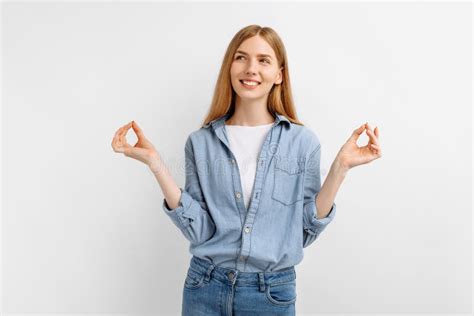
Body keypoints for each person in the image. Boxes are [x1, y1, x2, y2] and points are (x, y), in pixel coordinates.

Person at [111, 24, 381, 316]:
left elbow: (303, 231)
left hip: (271, 295)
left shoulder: (302, 143)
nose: (251, 68)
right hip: (204, 288)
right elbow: (199, 230)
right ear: (230, 67)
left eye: (263, 60)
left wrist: (340, 168)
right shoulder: (201, 143)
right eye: (241, 57)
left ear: (279, 74)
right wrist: (156, 164)